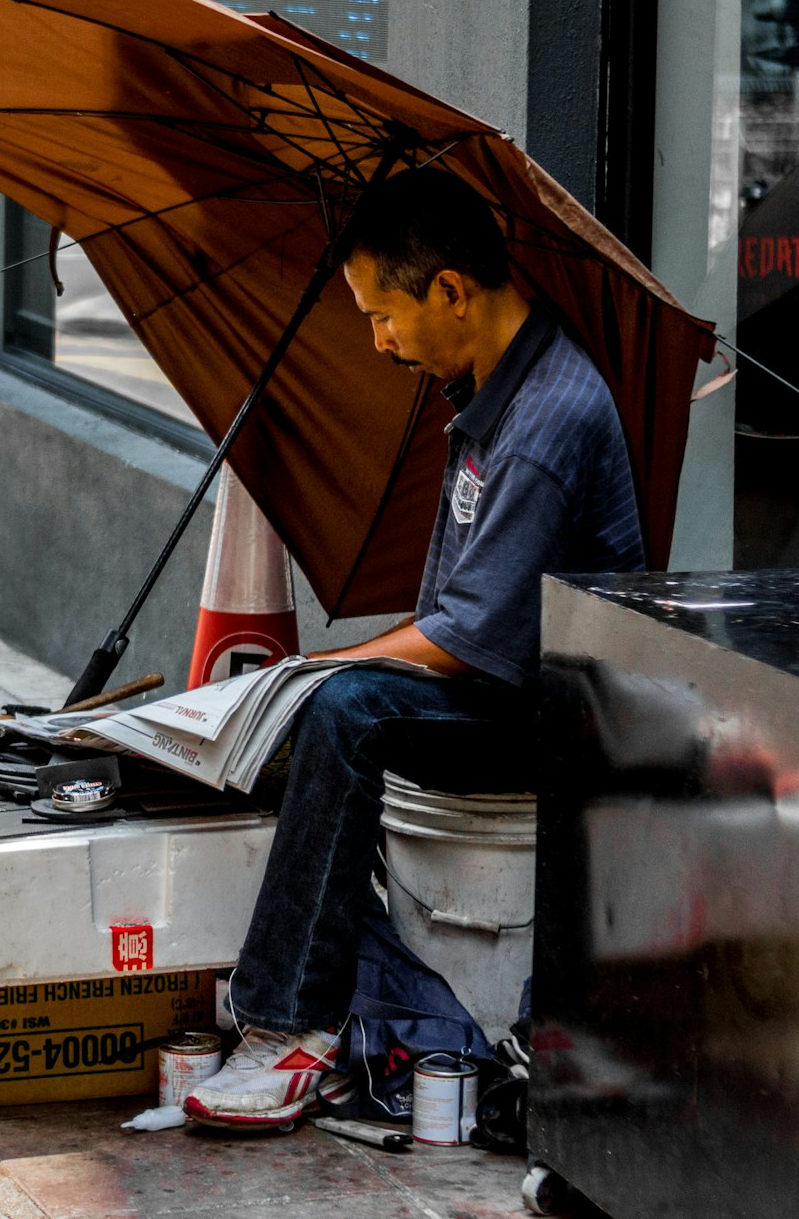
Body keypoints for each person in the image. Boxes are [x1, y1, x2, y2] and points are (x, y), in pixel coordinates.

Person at [183, 167, 645, 1129]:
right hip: (500, 674)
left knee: (344, 709)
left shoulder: (545, 422)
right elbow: (453, 613)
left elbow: (468, 640)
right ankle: (325, 988)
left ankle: (288, 1027)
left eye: (383, 314)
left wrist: (323, 672)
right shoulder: (486, 386)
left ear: (449, 290)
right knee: (319, 697)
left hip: (554, 711)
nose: (378, 338)